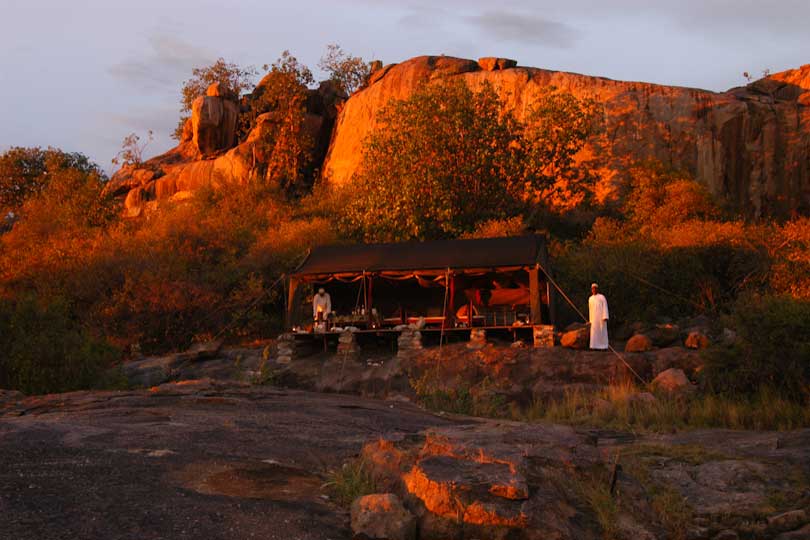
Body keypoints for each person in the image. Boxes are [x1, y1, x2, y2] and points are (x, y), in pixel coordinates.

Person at [588, 283, 609, 350]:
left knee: (602, 331)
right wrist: (590, 320)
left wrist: (605, 316)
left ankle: (603, 346)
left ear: (597, 289)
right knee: (594, 332)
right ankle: (593, 346)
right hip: (594, 318)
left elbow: (605, 307)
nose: (593, 290)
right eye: (592, 288)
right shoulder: (590, 299)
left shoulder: (602, 297)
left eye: (595, 288)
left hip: (601, 318)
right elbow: (590, 309)